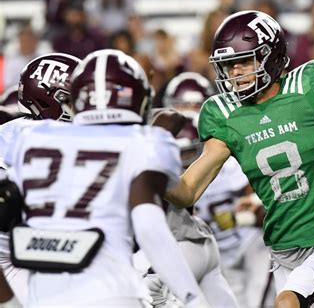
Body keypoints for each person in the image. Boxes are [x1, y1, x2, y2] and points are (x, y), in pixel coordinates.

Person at [164, 10, 314, 308]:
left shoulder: (310, 88)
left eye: (243, 61)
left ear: (270, 55)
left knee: (289, 303)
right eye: (228, 65)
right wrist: (149, 174)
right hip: (284, 252)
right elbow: (187, 189)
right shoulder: (225, 115)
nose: (235, 72)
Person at [2, 49, 207, 307]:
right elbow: (148, 223)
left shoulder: (18, 136)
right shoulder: (134, 140)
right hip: (86, 275)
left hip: (40, 269)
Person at [165, 72, 272, 307]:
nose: (185, 159)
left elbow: (264, 193)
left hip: (246, 244)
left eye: (195, 105)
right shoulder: (162, 163)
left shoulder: (224, 160)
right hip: (213, 254)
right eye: (182, 104)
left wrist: (253, 204)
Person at [0, 52, 82, 305]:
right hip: (15, 253)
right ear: (48, 100)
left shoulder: (12, 133)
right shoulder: (19, 135)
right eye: (71, 99)